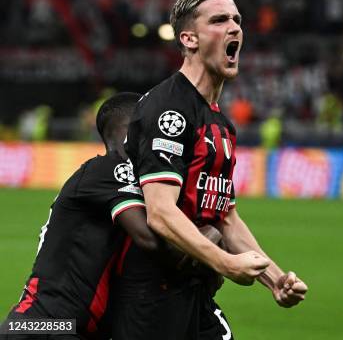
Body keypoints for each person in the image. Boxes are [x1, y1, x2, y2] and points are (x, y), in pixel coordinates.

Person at [119, 0, 307, 340]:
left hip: (194, 290)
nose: (235, 27)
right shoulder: (169, 110)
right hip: (151, 300)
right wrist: (224, 262)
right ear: (189, 39)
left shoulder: (221, 124)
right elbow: (160, 211)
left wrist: (275, 280)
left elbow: (224, 216)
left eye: (237, 19)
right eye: (220, 20)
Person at [0, 93, 196, 340]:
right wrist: (212, 244)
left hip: (52, 325)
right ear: (137, 128)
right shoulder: (111, 168)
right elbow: (151, 239)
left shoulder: (115, 178)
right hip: (46, 323)